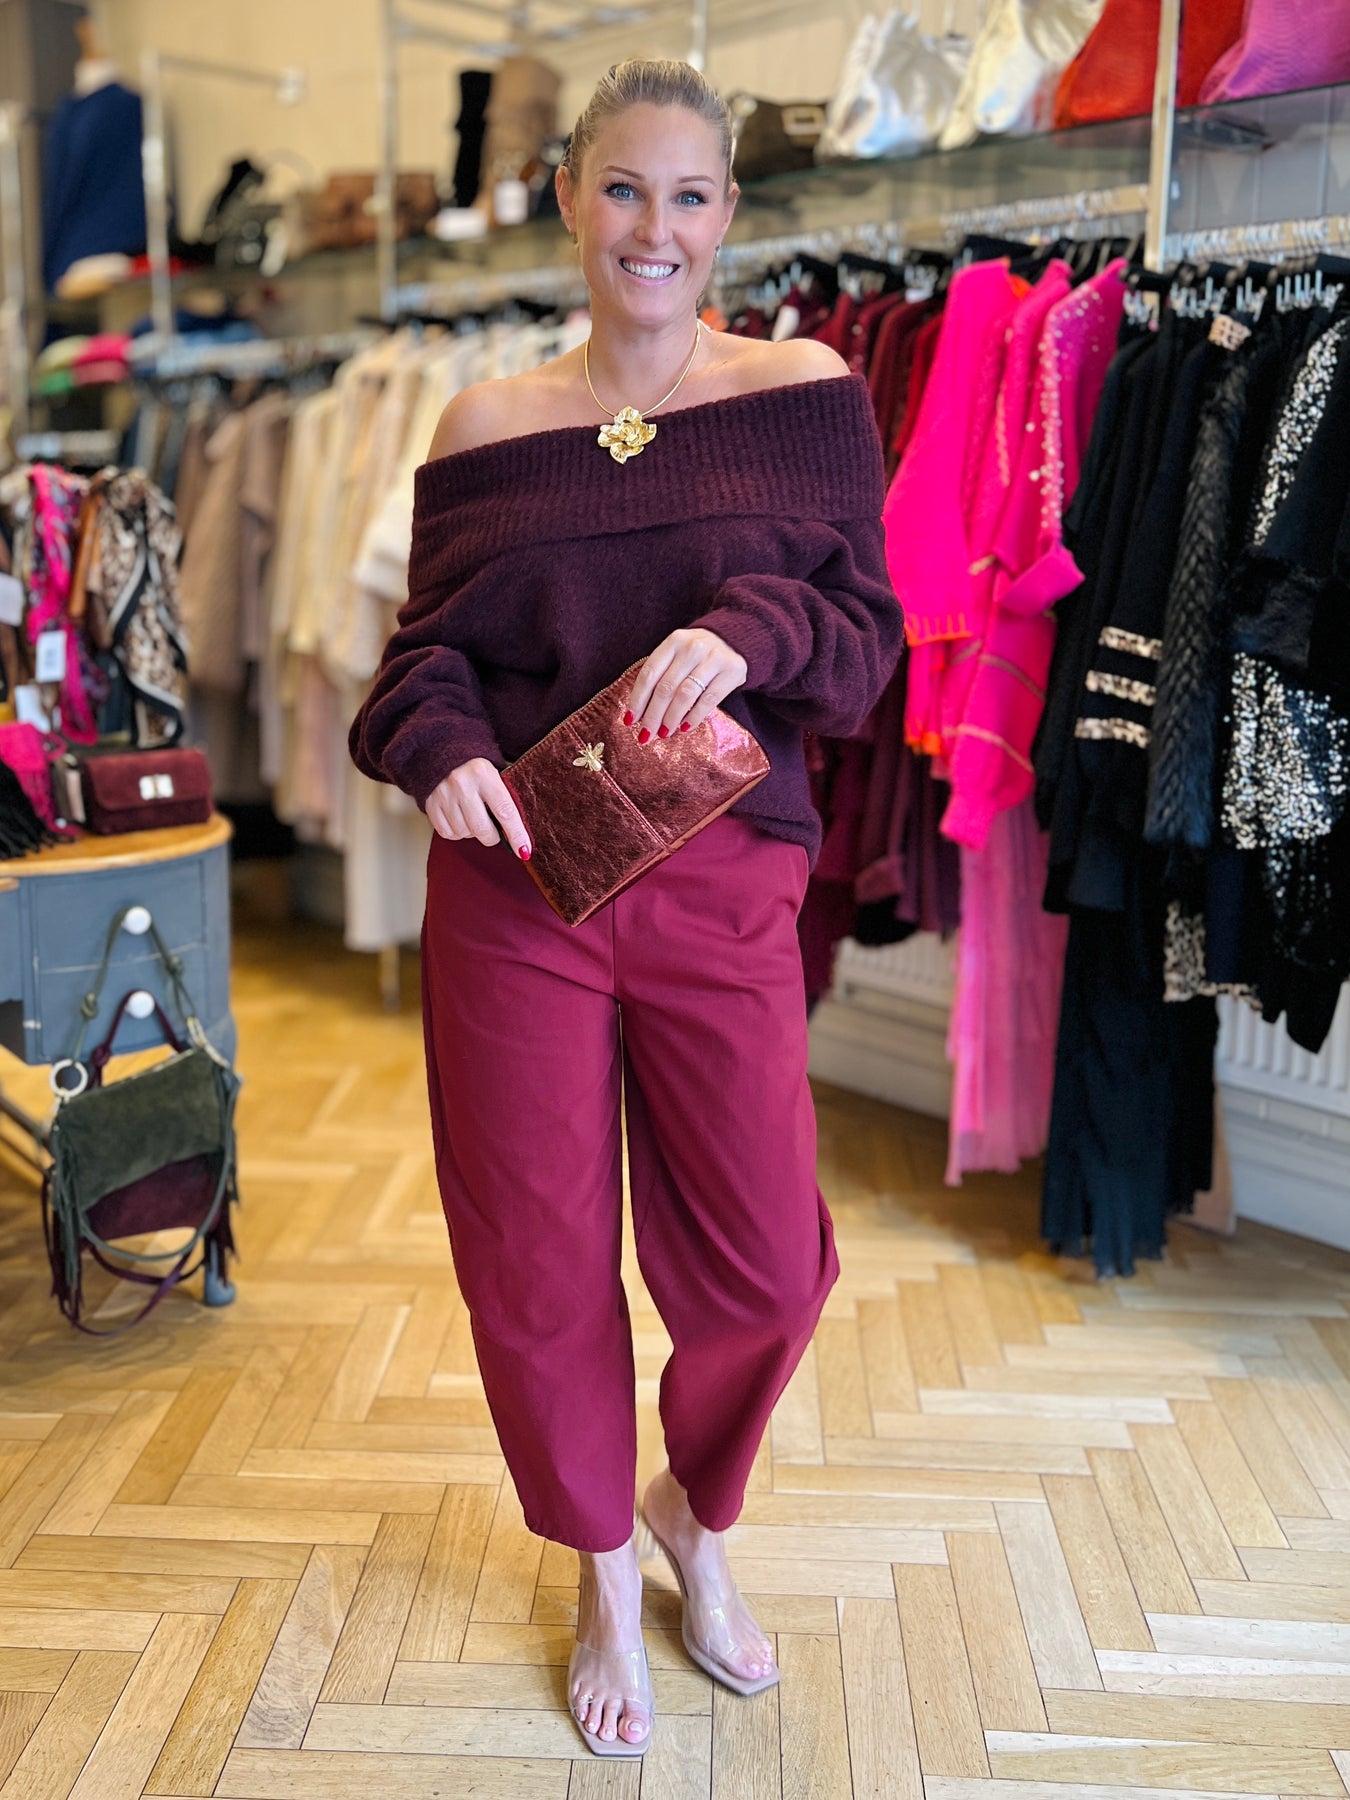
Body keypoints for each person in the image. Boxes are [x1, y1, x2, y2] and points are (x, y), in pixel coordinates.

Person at [350, 57, 904, 1759]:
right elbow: (418, 663)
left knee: (769, 1265)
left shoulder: (801, 390)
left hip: (719, 871)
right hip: (515, 882)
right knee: (532, 1258)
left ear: (726, 214)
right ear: (567, 200)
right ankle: (606, 1568)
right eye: (619, 188)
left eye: (687, 194)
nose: (651, 227)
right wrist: (439, 746)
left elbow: (865, 639)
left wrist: (747, 632)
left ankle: (691, 1510)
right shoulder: (483, 424)